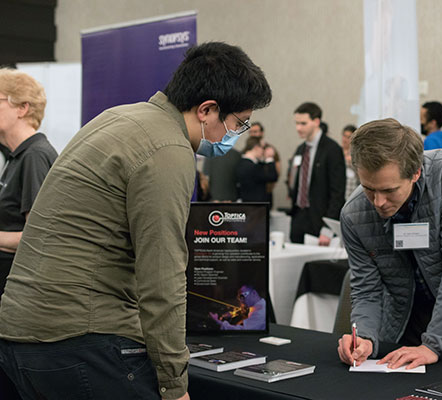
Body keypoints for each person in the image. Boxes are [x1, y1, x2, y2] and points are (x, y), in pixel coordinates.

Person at [0, 42, 271, 400]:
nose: (234, 137)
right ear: (207, 109)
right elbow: (162, 278)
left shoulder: (118, 118)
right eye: (238, 124)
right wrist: (175, 385)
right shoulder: (168, 149)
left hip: (23, 331)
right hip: (81, 336)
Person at [336, 118, 442, 370]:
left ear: (415, 172)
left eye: (389, 190)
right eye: (369, 189)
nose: (378, 202)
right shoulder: (353, 215)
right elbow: (366, 288)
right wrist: (364, 336)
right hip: (405, 328)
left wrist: (434, 344)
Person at [0, 68, 58, 296]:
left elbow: (38, 236)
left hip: (19, 292)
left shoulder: (35, 156)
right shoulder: (17, 156)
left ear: (22, 108)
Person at [288, 102, 345, 245]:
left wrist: (328, 228)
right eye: (296, 123)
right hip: (299, 219)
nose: (298, 128)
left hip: (320, 221)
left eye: (303, 123)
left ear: (316, 122)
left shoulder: (332, 150)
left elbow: (337, 193)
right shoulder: (300, 149)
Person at [235, 136, 278, 203]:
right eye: (263, 148)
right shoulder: (252, 167)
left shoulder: (242, 162)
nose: (264, 151)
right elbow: (273, 177)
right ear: (256, 148)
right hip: (255, 206)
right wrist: (270, 158)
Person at [249, 121, 280, 207]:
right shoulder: (246, 149)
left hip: (265, 192)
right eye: (251, 132)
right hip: (249, 193)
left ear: (261, 133)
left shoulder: (269, 149)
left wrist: (269, 188)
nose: (253, 134)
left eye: (255, 132)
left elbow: (277, 169)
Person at [341, 124, 359, 200]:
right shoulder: (336, 152)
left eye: (348, 137)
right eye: (344, 136)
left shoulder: (356, 154)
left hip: (351, 192)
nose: (345, 139)